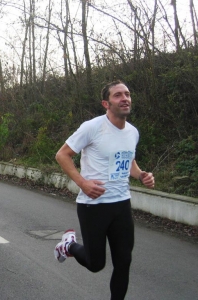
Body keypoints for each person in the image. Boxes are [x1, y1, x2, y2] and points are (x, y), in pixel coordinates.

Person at [54, 80, 155, 300]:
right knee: (95, 264)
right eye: (118, 95)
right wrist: (83, 183)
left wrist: (141, 175)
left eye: (127, 94)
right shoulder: (92, 127)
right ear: (106, 103)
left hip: (121, 203)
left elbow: (128, 161)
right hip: (94, 206)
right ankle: (68, 246)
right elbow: (62, 155)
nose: (125, 98)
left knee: (124, 262)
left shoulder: (133, 132)